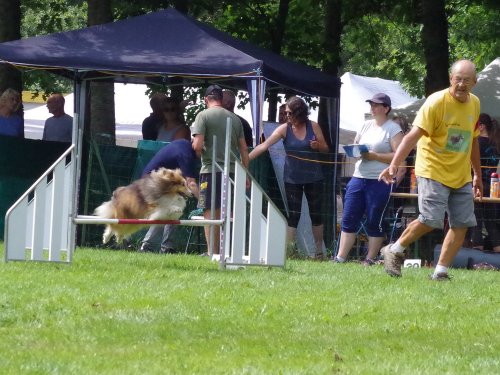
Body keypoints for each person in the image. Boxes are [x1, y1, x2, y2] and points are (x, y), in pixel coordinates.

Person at [379, 59, 482, 280]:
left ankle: (440, 272)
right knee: (431, 219)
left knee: (462, 223)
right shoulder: (436, 102)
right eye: (458, 79)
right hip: (432, 169)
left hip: (461, 174)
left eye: (466, 80)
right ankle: (394, 249)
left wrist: (478, 176)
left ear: (475, 81)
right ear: (450, 79)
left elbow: (473, 141)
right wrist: (394, 165)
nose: (462, 84)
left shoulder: (474, 103)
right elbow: (411, 137)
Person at [249, 96, 329, 259]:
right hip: (292, 179)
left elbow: (326, 149)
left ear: (300, 113)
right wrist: (245, 160)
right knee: (293, 216)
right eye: (286, 113)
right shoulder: (284, 129)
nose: (286, 116)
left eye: (289, 113)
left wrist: (317, 146)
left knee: (316, 215)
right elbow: (264, 145)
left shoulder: (313, 126)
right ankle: (290, 252)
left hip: (314, 177)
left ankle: (319, 253)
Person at [334, 93, 403, 266]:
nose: (372, 107)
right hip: (358, 177)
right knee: (349, 218)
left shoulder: (393, 129)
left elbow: (398, 157)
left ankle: (370, 259)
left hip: (380, 180)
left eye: (376, 105)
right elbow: (357, 146)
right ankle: (340, 258)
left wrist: (374, 156)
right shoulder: (365, 125)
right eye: (371, 104)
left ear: (386, 108)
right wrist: (356, 152)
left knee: (374, 220)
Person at [191, 84, 249, 256]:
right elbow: (244, 150)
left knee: (209, 212)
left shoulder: (202, 116)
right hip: (231, 172)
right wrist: (245, 174)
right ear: (221, 100)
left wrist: (194, 145)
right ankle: (224, 251)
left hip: (210, 170)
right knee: (225, 213)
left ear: (206, 99)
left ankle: (211, 252)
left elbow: (198, 146)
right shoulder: (235, 119)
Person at [139, 139, 200, 253]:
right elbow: (191, 183)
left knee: (174, 209)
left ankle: (166, 247)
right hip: (153, 183)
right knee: (167, 212)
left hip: (156, 181)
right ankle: (148, 246)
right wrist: (204, 203)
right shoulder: (186, 154)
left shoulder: (184, 145)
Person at [469, 113, 500, 252]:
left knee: (476, 220)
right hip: (493, 186)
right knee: (491, 222)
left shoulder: (476, 142)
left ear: (481, 126)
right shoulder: (496, 142)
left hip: (477, 184)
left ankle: (477, 253)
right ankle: (497, 249)